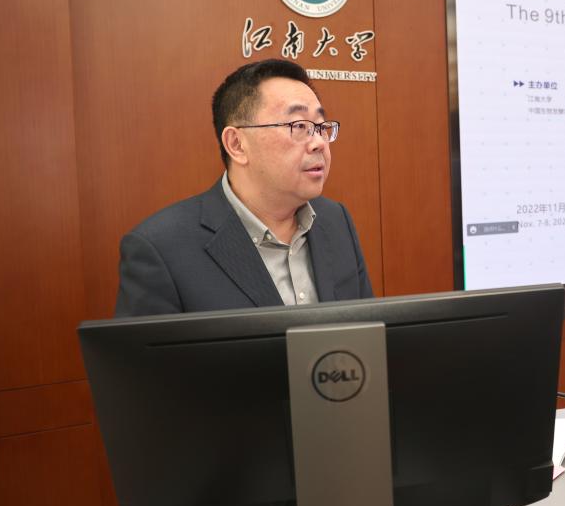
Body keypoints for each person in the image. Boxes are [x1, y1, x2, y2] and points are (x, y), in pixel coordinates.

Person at [114, 59, 373, 317]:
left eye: (320, 126)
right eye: (299, 126)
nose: (319, 143)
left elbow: (367, 331)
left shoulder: (335, 220)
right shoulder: (161, 249)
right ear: (237, 145)